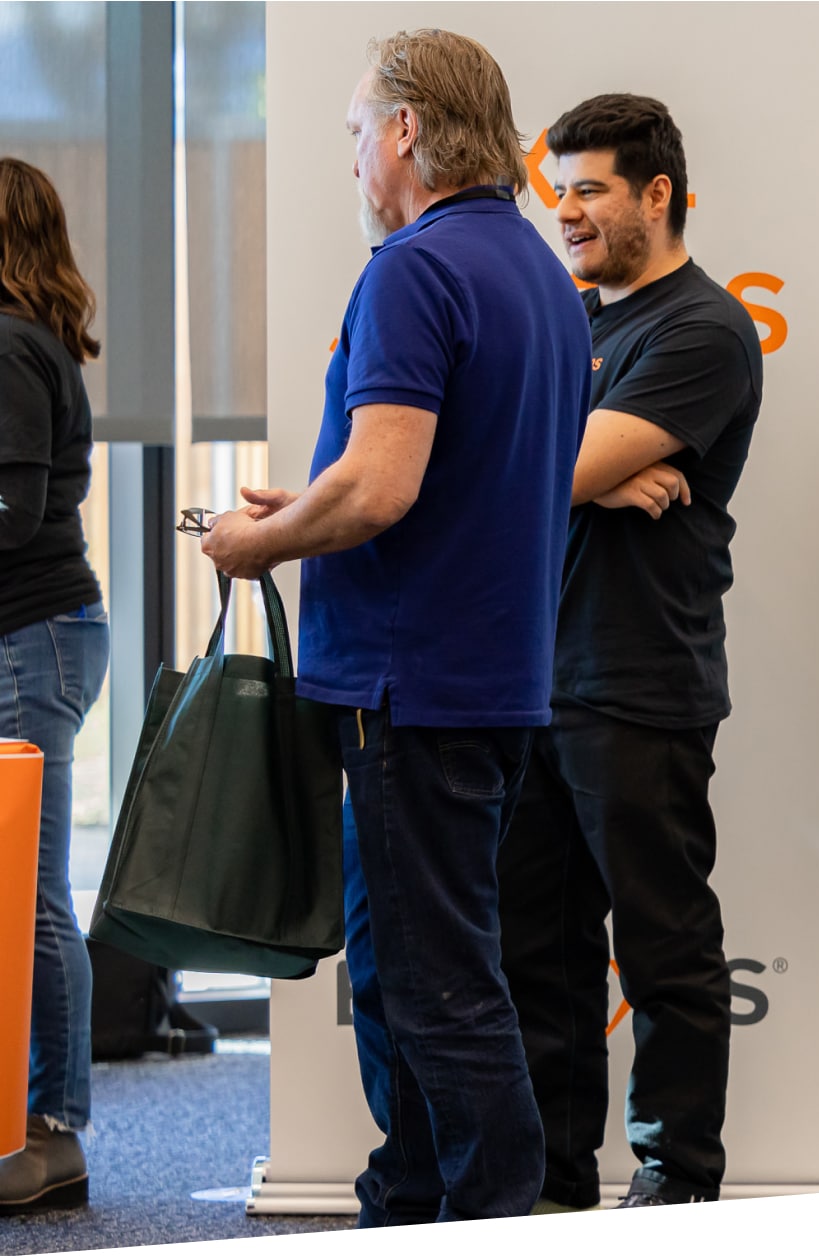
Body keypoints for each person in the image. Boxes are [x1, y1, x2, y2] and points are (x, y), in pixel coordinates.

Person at [201, 29, 586, 1224]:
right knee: (403, 975)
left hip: (413, 688)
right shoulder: (534, 272)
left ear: (408, 130)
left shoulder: (414, 270)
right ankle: (408, 1197)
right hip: (485, 681)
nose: (355, 158)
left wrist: (255, 541)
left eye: (359, 129)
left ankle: (490, 1218)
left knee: (435, 989)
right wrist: (303, 500)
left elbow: (381, 487)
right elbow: (441, 473)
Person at [499, 93, 760, 1212]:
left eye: (591, 187)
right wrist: (593, 455)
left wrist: (576, 455)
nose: (566, 210)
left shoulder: (700, 328)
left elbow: (531, 472)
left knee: (664, 952)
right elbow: (500, 451)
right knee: (538, 956)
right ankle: (557, 1187)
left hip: (639, 684)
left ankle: (676, 1185)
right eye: (558, 188)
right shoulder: (571, 322)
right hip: (533, 682)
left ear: (658, 192)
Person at [0, 156, 108, 1216]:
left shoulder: (5, 343)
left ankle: (54, 1129)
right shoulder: (28, 340)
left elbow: (14, 512)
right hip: (37, 631)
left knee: (32, 898)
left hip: (33, 636)